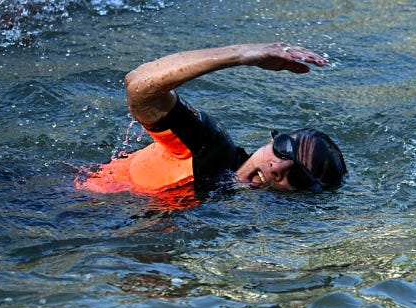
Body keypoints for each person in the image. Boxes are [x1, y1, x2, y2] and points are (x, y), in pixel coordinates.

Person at [76, 43, 347, 201]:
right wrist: (240, 55)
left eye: (298, 175)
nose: (279, 167)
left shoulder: (237, 210)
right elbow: (138, 86)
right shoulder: (209, 148)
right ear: (271, 140)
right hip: (57, 205)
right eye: (285, 148)